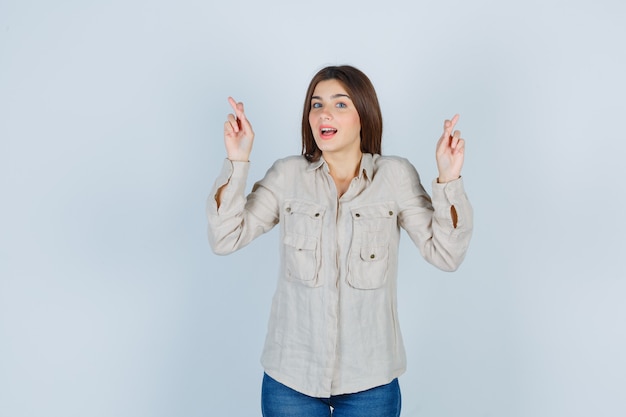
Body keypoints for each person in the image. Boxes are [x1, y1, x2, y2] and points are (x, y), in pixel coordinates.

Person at [207, 65, 473, 417]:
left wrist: (449, 179)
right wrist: (237, 159)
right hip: (291, 378)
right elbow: (225, 237)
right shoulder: (287, 176)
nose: (324, 114)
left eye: (340, 104)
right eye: (316, 105)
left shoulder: (394, 176)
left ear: (364, 114)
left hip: (371, 381)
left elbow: (446, 254)